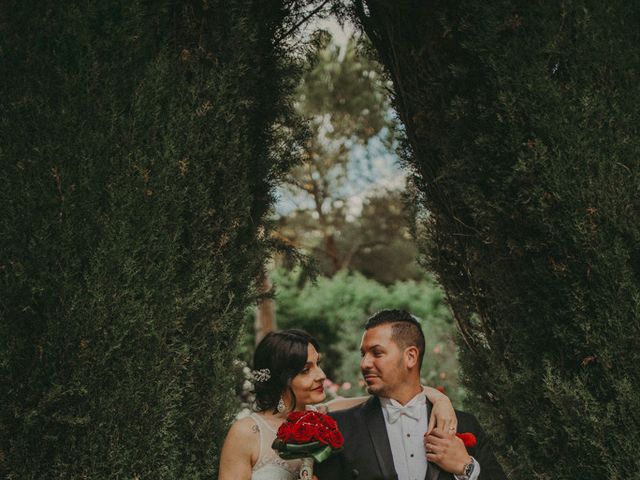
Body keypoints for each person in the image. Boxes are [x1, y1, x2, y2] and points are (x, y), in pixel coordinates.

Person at [218, 328, 458, 480]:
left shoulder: (329, 416)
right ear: (282, 378)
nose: (321, 375)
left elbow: (398, 392)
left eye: (317, 364)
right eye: (306, 370)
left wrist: (440, 399)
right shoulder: (247, 432)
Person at [315, 310, 507, 480]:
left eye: (377, 353)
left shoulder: (465, 424)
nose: (365, 363)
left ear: (411, 357)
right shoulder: (339, 427)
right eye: (363, 354)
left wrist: (466, 467)